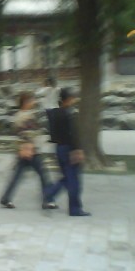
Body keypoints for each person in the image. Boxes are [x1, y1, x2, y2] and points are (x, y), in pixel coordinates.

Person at [0, 92, 57, 210]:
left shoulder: (20, 115)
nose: (33, 102)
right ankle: (48, 200)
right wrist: (29, 147)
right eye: (31, 100)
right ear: (25, 103)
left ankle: (6, 198)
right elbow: (26, 133)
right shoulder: (25, 116)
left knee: (17, 176)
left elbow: (21, 133)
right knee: (43, 175)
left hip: (24, 151)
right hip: (31, 151)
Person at [44, 88, 91, 217]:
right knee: (73, 180)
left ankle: (50, 193)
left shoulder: (53, 113)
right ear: (69, 99)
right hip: (70, 149)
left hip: (59, 148)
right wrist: (78, 150)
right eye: (73, 98)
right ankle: (74, 208)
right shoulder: (70, 113)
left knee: (67, 177)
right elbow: (74, 133)